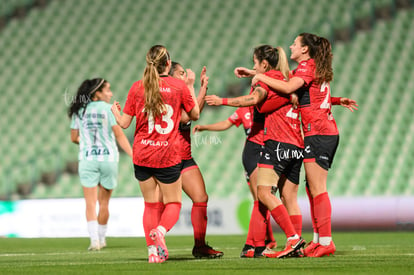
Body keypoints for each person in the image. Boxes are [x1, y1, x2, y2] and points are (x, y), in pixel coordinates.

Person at [248, 33, 358, 257]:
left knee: (318, 189)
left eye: (295, 44)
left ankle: (326, 241)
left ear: (305, 49)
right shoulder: (310, 67)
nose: (291, 46)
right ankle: (318, 240)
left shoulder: (307, 66)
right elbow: (310, 93)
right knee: (311, 189)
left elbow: (289, 89)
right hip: (319, 132)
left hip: (319, 133)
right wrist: (254, 73)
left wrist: (259, 78)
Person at [205, 45, 305, 258]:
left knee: (263, 194)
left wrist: (221, 101)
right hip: (297, 144)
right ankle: (294, 244)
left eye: (255, 62)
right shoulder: (287, 78)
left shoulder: (264, 83)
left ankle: (292, 239)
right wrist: (253, 73)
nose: (253, 66)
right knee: (289, 196)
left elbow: (252, 99)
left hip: (277, 142)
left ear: (264, 64)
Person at [111, 45, 200, 263]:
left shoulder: (137, 87)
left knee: (150, 204)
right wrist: (189, 87)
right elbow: (194, 114)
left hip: (142, 154)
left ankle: (153, 252)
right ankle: (159, 232)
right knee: (173, 203)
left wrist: (115, 111)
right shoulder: (178, 86)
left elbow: (123, 123)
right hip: (166, 155)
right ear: (168, 64)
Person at [193, 106, 277, 257]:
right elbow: (226, 123)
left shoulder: (269, 107)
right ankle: (252, 244)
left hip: (269, 154)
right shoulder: (243, 110)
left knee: (262, 200)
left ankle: (261, 241)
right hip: (253, 157)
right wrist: (205, 127)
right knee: (260, 200)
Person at [68, 78, 133, 251]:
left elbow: (74, 138)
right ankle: (102, 239)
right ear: (97, 93)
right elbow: (119, 135)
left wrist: (86, 142)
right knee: (104, 203)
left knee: (90, 203)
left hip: (88, 159)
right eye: (108, 90)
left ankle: (94, 241)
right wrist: (134, 155)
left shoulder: (79, 111)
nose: (111, 94)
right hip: (108, 159)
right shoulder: (108, 109)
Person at [169, 62, 223, 258]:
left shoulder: (183, 94)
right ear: (171, 76)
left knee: (201, 198)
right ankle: (154, 244)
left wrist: (202, 88)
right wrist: (193, 86)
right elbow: (186, 117)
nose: (185, 75)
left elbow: (194, 114)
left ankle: (199, 246)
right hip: (167, 159)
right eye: (181, 73)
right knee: (163, 205)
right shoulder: (170, 95)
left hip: (184, 157)